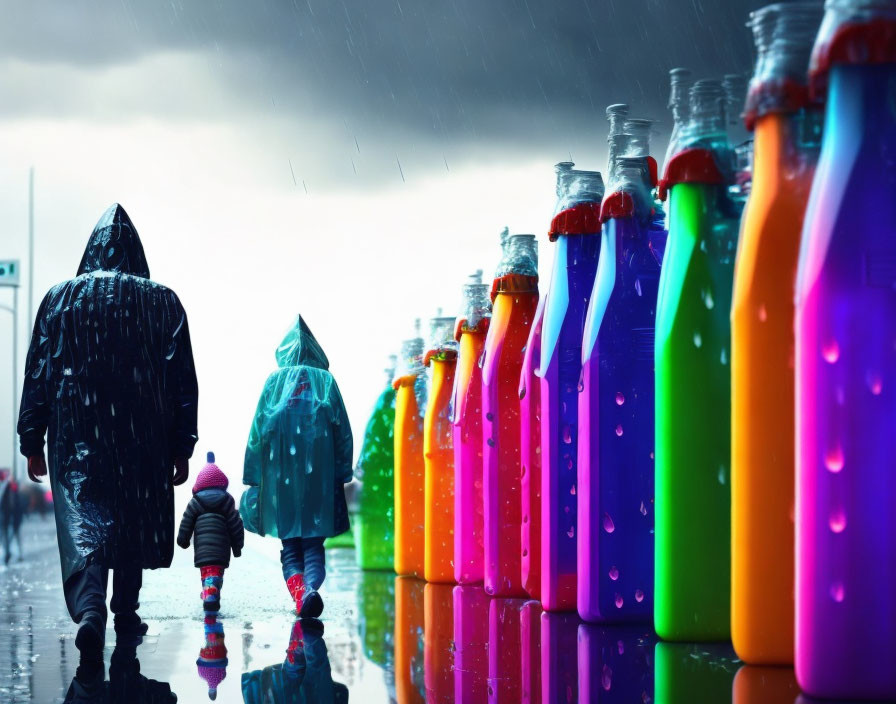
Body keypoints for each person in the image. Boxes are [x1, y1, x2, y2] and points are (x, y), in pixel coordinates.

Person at [17, 204, 198, 659]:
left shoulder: (60, 301)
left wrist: (32, 438)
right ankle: (125, 610)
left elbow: (38, 372)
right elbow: (182, 383)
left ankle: (91, 607)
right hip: (142, 436)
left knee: (87, 522)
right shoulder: (163, 302)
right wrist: (180, 445)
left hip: (76, 438)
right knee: (131, 519)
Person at [240, 315, 353, 618]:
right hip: (320, 478)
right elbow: (342, 431)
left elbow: (257, 434)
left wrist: (254, 478)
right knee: (314, 544)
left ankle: (301, 594)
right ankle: (312, 589)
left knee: (290, 546)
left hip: (280, 482)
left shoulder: (273, 383)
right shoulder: (326, 382)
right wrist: (342, 473)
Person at [177, 451, 244, 614]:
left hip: (203, 552)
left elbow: (186, 522)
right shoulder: (227, 501)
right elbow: (236, 525)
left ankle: (209, 592)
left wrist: (183, 540)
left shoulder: (195, 502)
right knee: (217, 574)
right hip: (221, 551)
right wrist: (237, 547)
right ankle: (213, 592)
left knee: (207, 573)